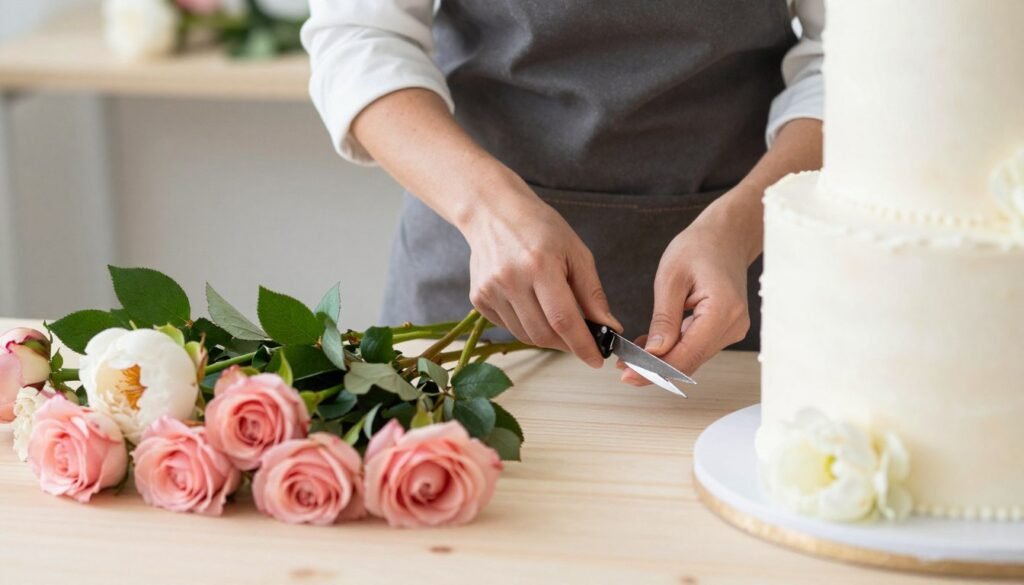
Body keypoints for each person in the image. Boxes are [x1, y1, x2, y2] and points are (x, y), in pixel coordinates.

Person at [301, 1, 824, 386]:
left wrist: (741, 225)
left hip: (745, 276)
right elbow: (359, 38)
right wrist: (487, 209)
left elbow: (854, 64)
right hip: (470, 273)